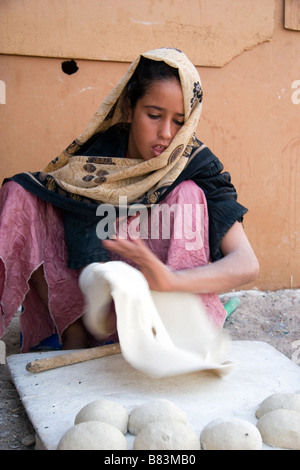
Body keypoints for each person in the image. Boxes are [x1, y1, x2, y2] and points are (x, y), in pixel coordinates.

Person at [0, 48, 259, 352]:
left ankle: (165, 339)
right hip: (94, 310)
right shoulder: (99, 156)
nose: (165, 133)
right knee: (21, 193)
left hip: (157, 308)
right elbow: (51, 209)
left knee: (188, 194)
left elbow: (247, 264)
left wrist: (168, 281)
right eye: (153, 115)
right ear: (128, 109)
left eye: (179, 121)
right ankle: (72, 332)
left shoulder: (198, 165)